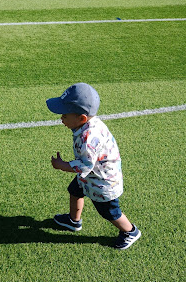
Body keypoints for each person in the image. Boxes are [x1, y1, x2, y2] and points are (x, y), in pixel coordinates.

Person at [46, 83, 141, 250]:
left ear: (82, 118)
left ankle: (130, 231)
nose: (61, 118)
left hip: (102, 182)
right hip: (92, 176)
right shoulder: (87, 124)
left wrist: (62, 165)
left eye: (65, 115)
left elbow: (84, 166)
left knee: (109, 211)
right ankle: (74, 221)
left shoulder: (88, 139)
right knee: (75, 190)